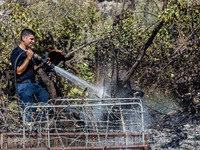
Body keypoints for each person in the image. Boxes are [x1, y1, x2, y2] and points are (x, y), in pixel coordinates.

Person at [10, 29, 49, 123]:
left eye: (33, 39)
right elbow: (18, 71)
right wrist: (28, 58)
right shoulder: (16, 52)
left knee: (46, 98)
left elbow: (34, 68)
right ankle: (29, 131)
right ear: (24, 38)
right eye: (31, 39)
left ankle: (39, 123)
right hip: (24, 85)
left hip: (34, 83)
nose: (33, 41)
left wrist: (44, 63)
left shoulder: (30, 52)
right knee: (28, 110)